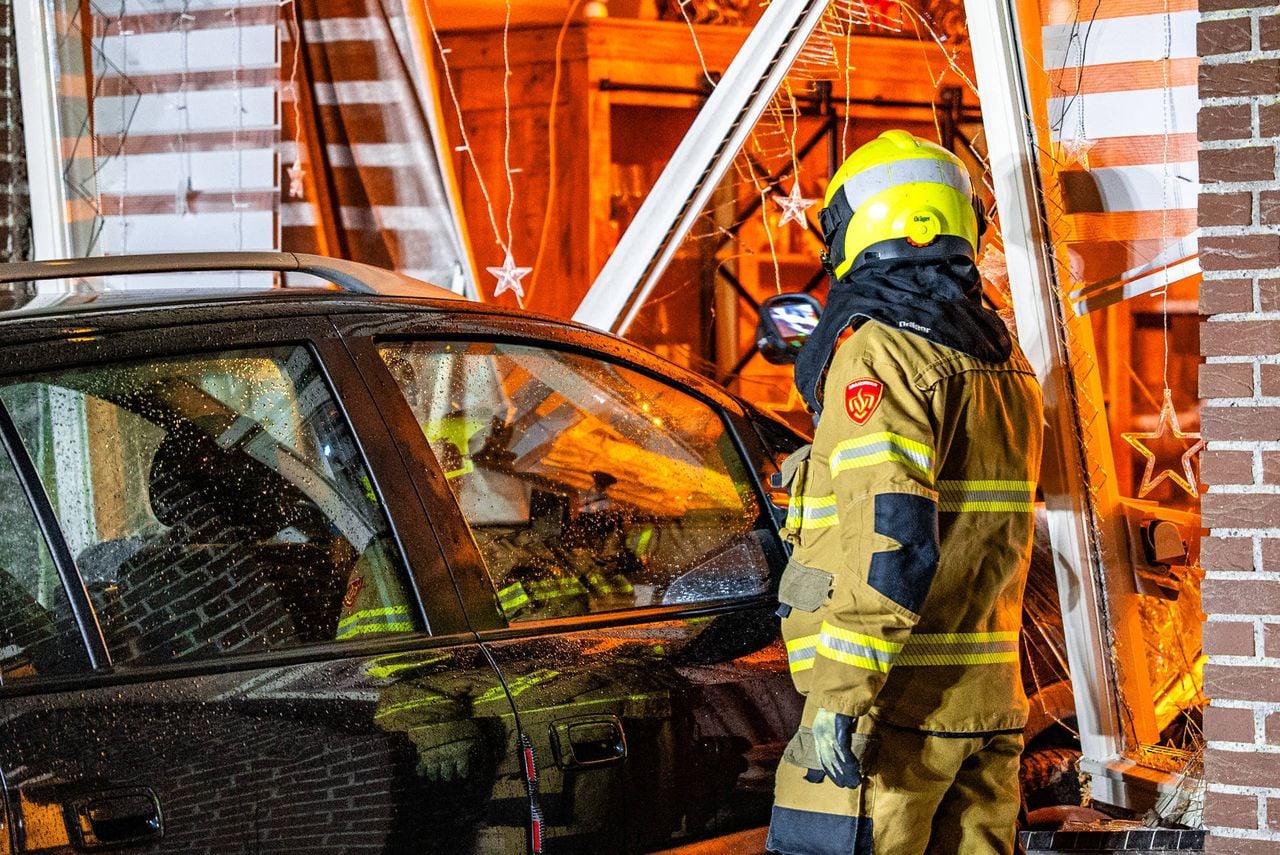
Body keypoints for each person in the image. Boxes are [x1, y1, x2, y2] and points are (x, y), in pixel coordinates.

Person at [766, 130, 1044, 855]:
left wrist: (836, 698)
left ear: (853, 231)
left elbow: (891, 541)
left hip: (889, 721)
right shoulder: (1001, 359)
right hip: (985, 709)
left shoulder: (880, 352)